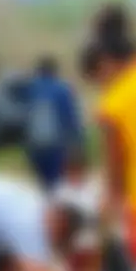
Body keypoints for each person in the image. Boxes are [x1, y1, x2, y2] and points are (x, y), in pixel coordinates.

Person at [80, 5, 136, 271]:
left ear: (105, 63)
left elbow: (115, 174)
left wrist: (102, 217)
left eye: (99, 80)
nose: (102, 86)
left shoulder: (115, 103)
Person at [52, 150, 103, 271]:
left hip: (90, 242)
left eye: (78, 169)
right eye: (72, 170)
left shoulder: (92, 190)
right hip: (71, 245)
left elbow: (99, 216)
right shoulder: (62, 191)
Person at [24, 56, 83, 193]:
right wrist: (78, 144)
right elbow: (71, 119)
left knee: (42, 183)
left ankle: (45, 206)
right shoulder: (62, 90)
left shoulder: (29, 90)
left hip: (34, 145)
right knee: (56, 183)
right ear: (54, 72)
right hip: (56, 145)